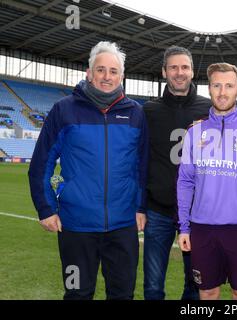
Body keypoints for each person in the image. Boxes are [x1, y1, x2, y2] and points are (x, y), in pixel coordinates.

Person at [28, 41, 149, 300]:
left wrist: (141, 207)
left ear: (122, 76)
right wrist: (46, 208)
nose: (107, 77)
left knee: (122, 294)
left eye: (113, 71)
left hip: (123, 226)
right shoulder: (64, 110)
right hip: (76, 227)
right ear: (89, 73)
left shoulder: (136, 113)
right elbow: (41, 164)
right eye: (101, 70)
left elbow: (142, 165)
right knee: (77, 293)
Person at [177, 63, 237, 300]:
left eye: (229, 86)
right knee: (207, 292)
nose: (222, 92)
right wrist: (184, 227)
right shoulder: (193, 132)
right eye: (217, 85)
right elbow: (185, 181)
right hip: (202, 228)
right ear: (209, 89)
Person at [143, 46, 209, 300]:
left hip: (197, 214)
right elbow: (140, 161)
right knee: (152, 286)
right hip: (158, 211)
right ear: (164, 72)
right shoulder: (148, 111)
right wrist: (141, 205)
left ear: (192, 72)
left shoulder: (210, 109)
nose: (179, 73)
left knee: (194, 286)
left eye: (184, 67)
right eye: (173, 67)